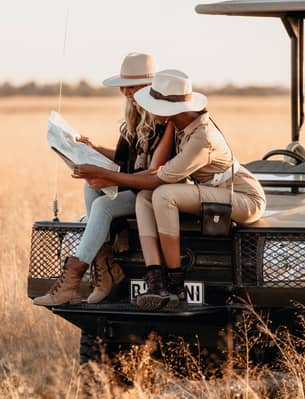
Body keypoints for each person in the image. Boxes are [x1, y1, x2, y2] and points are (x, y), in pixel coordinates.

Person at [70, 69, 266, 311]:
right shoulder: (180, 124)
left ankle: (176, 285)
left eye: (154, 105)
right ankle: (155, 280)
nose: (148, 112)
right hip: (210, 191)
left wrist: (105, 175)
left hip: (244, 198)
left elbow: (157, 180)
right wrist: (104, 168)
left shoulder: (201, 137)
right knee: (145, 198)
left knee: (163, 194)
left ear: (170, 109)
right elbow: (153, 173)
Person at [33, 53, 175, 306]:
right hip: (136, 182)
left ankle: (74, 278)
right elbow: (125, 159)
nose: (126, 92)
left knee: (102, 204)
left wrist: (104, 175)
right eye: (124, 87)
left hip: (154, 190)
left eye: (132, 87)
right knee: (91, 190)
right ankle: (104, 267)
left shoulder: (164, 119)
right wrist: (93, 148)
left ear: (148, 86)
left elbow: (154, 172)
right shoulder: (135, 115)